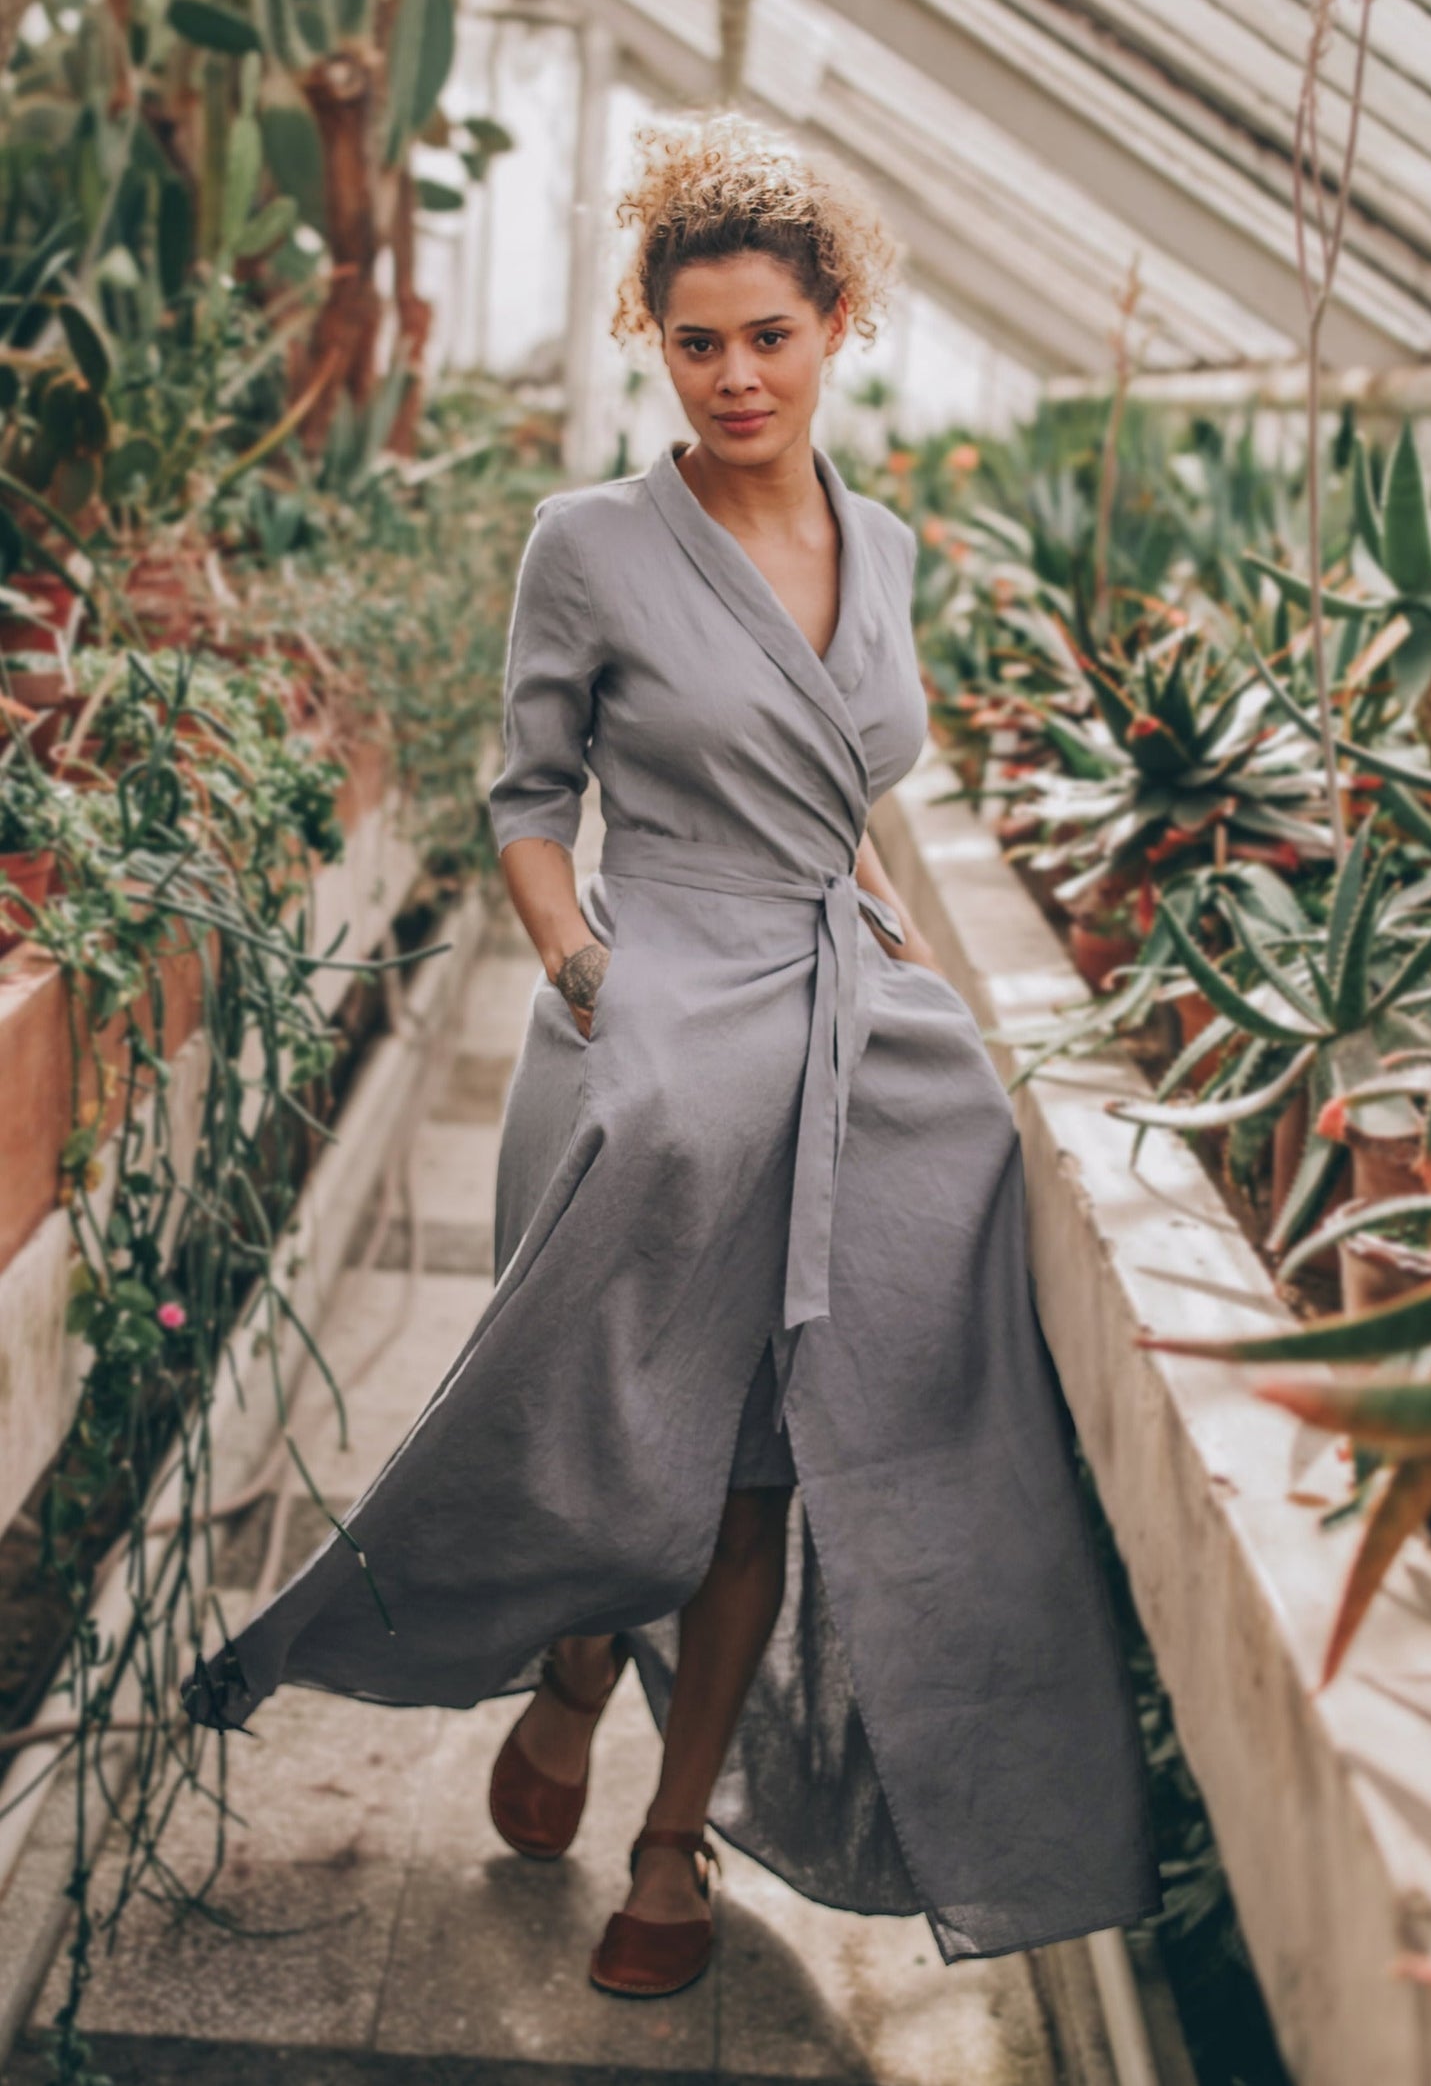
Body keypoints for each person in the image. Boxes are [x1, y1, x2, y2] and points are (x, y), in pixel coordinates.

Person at [181, 111, 1161, 2001]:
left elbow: (842, 796)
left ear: (836, 325)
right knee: (624, 1434)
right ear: (655, 341)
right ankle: (567, 1668)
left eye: (768, 337)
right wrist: (580, 967)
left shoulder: (885, 549)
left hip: (833, 1006)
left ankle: (671, 1831)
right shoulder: (592, 544)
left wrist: (876, 929)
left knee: (764, 1467)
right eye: (695, 342)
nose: (733, 377)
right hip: (651, 1004)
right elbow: (527, 798)